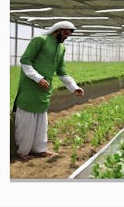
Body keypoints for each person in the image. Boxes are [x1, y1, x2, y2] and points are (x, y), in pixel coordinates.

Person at [14, 21, 84, 160]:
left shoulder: (61, 48)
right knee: (26, 123)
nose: (67, 36)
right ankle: (23, 152)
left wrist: (74, 87)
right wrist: (38, 78)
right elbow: (25, 61)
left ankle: (40, 149)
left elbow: (61, 71)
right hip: (30, 89)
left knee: (41, 123)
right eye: (65, 33)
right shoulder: (40, 40)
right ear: (57, 30)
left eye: (69, 34)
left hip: (44, 91)